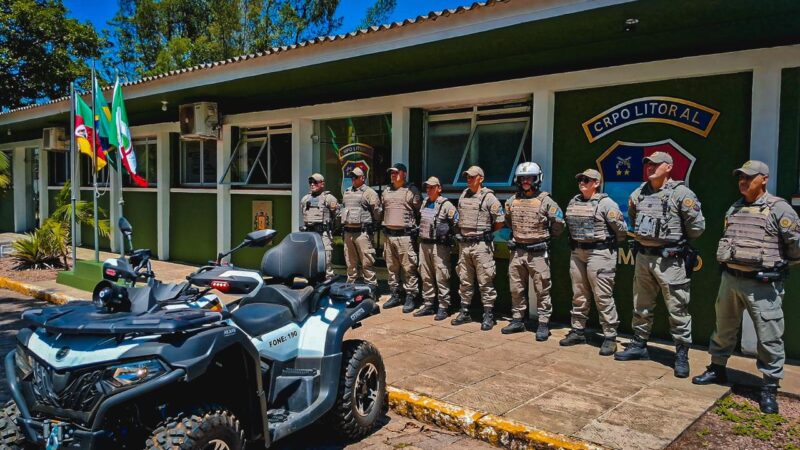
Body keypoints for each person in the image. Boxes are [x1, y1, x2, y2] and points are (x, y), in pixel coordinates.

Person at [692, 160, 799, 414]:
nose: (743, 181)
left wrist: (776, 267)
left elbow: (795, 248)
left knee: (769, 336)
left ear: (764, 179)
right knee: (723, 328)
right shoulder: (735, 207)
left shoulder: (780, 209)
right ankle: (717, 368)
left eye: (749, 177)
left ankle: (769, 387)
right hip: (731, 279)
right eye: (740, 177)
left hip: (762, 284)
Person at [614, 151, 705, 378]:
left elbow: (697, 228)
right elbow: (634, 220)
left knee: (677, 307)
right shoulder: (638, 194)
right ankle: (639, 344)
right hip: (644, 257)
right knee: (641, 304)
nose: (650, 168)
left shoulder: (681, 194)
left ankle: (681, 353)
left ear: (669, 167)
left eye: (655, 165)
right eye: (647, 164)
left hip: (670, 260)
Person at [560, 169, 627, 355]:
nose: (582, 182)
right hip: (577, 252)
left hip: (600, 253)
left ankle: (610, 336)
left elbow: (621, 230)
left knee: (603, 296)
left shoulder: (606, 204)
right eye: (580, 179)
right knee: (579, 294)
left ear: (596, 183)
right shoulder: (574, 201)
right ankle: (578, 331)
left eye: (587, 180)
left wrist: (604, 245)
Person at [503, 162, 565, 341]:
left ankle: (544, 323)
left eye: (529, 178)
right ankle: (517, 320)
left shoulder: (546, 201)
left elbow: (559, 224)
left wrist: (544, 238)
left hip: (538, 252)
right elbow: (508, 220)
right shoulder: (512, 201)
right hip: (517, 251)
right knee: (516, 288)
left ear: (537, 179)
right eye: (523, 178)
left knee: (542, 289)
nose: (526, 182)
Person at [452, 166, 505, 331]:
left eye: (472, 177)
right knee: (464, 279)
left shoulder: (489, 198)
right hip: (465, 244)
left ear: (480, 178)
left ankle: (488, 314)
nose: (469, 179)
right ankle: (465, 310)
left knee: (485, 280)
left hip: (481, 245)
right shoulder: (463, 195)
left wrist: (486, 233)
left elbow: (500, 220)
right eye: (467, 177)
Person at [413, 176, 458, 320]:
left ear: (439, 188)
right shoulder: (425, 203)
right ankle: (428, 304)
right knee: (425, 275)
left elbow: (457, 223)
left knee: (441, 276)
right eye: (427, 187)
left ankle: (444, 307)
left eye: (432, 187)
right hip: (424, 244)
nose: (429, 190)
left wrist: (449, 235)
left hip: (440, 247)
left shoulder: (446, 205)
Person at [381, 163, 423, 313]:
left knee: (409, 267)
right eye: (391, 173)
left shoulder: (411, 191)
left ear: (404, 174)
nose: (393, 175)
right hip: (389, 236)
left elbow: (420, 212)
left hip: (405, 237)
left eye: (396, 172)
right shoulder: (386, 192)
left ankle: (411, 296)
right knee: (392, 268)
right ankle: (395, 294)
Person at [340, 167, 382, 292]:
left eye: (356, 177)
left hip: (363, 233)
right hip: (348, 232)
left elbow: (377, 212)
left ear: (363, 178)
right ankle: (350, 287)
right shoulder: (347, 192)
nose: (353, 179)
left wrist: (373, 225)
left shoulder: (370, 193)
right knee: (350, 263)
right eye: (352, 177)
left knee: (367, 262)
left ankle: (371, 288)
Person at [300, 173, 340, 280]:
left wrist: (331, 229)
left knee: (326, 260)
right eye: (310, 182)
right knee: (310, 260)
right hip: (309, 235)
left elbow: (338, 216)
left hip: (323, 234)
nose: (312, 184)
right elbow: (303, 214)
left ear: (322, 184)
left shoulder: (329, 198)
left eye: (315, 182)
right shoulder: (305, 199)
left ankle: (327, 285)